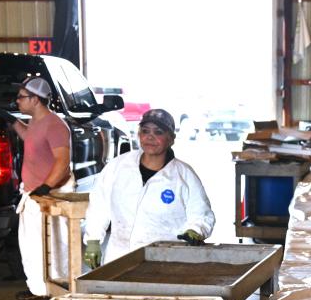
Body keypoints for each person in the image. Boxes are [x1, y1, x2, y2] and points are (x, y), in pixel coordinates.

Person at [83, 109, 214, 266]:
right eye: (145, 131)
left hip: (165, 261)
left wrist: (196, 230)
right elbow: (99, 205)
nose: (150, 137)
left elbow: (201, 213)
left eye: (158, 132)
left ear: (171, 138)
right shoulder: (118, 167)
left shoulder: (184, 176)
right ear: (139, 135)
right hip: (119, 257)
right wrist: (93, 240)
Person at [0, 77, 74, 300]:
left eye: (21, 97)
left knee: (48, 245)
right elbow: (30, 138)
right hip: (35, 193)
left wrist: (46, 187)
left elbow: (62, 160)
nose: (17, 101)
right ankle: (39, 288)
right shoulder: (37, 122)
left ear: (35, 99)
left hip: (48, 195)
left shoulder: (54, 125)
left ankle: (52, 289)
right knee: (32, 244)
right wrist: (13, 122)